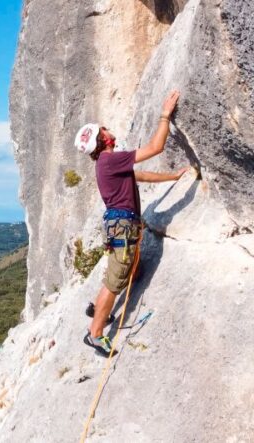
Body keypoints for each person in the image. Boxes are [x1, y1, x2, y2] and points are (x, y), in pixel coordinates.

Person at [74, 90, 190, 357]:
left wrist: (172, 176)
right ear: (102, 139)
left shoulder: (108, 164)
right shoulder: (110, 159)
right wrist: (165, 115)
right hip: (123, 228)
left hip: (121, 227)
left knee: (127, 271)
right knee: (115, 283)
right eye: (103, 129)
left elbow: (141, 176)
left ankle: (98, 308)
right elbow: (155, 148)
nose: (107, 128)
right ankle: (95, 335)